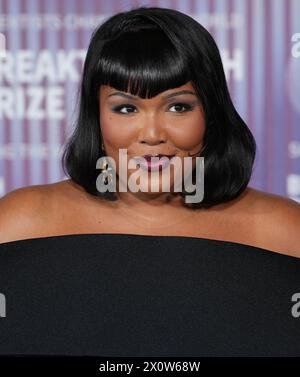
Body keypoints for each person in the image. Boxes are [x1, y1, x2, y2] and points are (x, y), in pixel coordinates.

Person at [0, 6, 300, 357]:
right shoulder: (18, 224)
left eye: (178, 107)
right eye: (126, 109)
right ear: (96, 118)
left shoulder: (285, 231)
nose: (153, 134)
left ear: (212, 114)